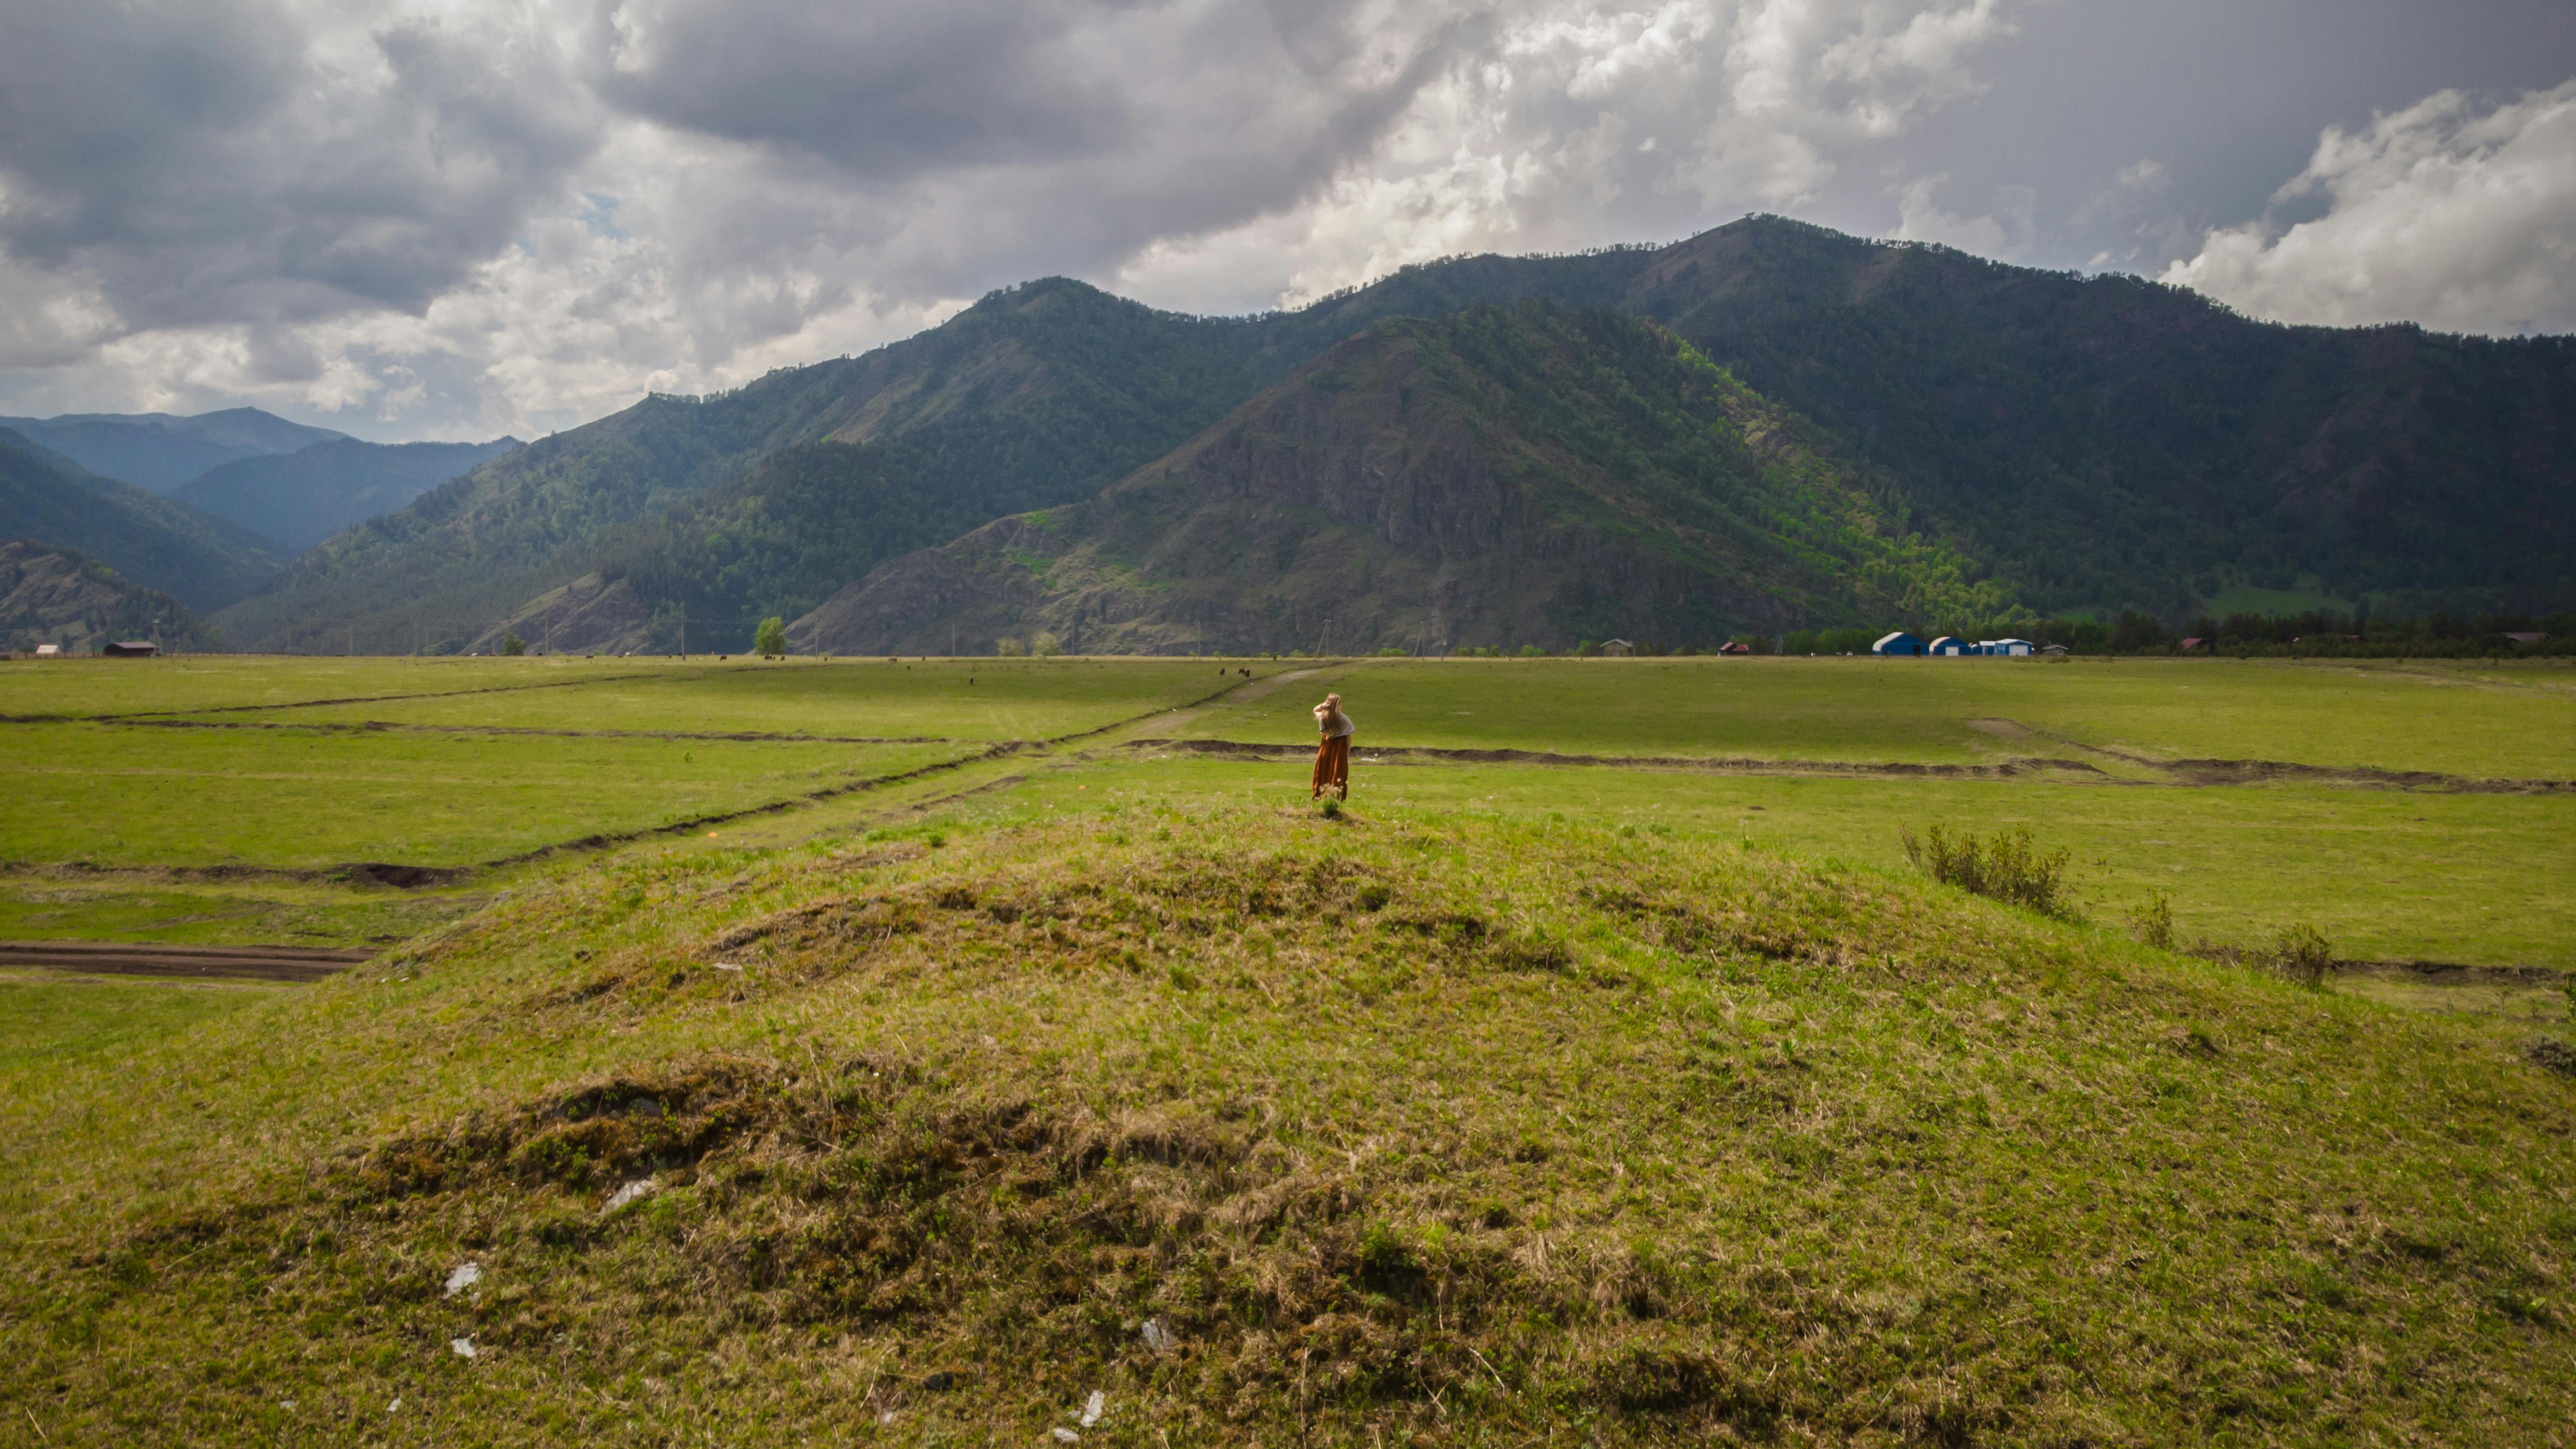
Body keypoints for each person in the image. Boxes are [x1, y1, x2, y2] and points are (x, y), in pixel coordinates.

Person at [1311, 692, 1354, 800]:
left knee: (1323, 770)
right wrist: (1347, 753)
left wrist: (1323, 706)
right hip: (1340, 748)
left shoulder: (1323, 717)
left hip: (1326, 746)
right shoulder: (1345, 720)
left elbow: (1315, 710)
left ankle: (1320, 795)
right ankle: (1336, 797)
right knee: (1338, 772)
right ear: (1338, 705)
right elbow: (1348, 738)